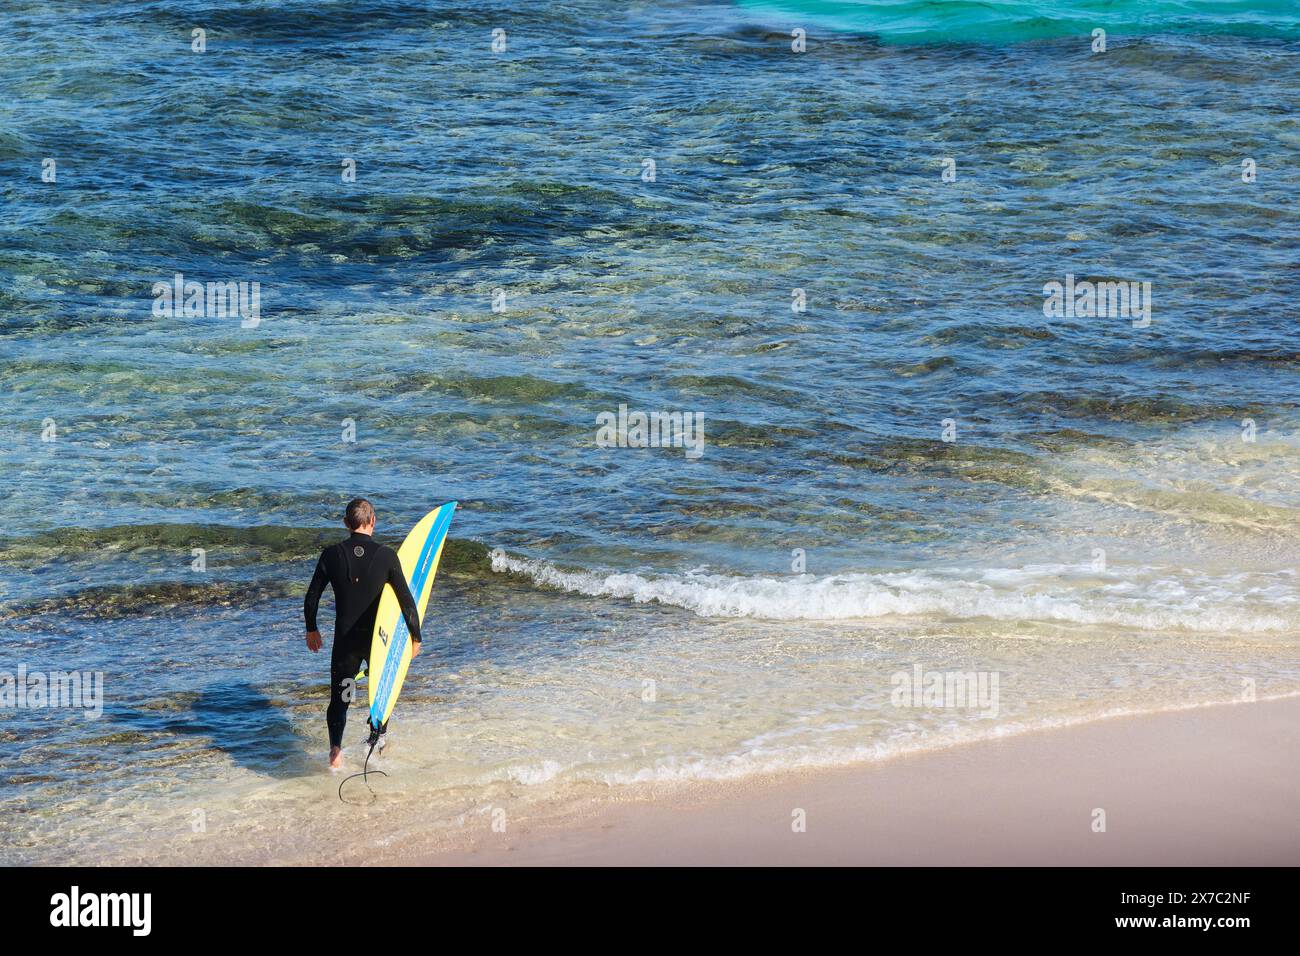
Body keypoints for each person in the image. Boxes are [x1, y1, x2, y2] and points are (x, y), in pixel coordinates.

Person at [304, 498, 421, 769]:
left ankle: (335, 752)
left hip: (346, 642)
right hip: (377, 642)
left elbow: (311, 597)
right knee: (382, 693)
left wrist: (312, 629)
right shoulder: (387, 556)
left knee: (342, 696)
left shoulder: (331, 555)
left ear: (346, 524)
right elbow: (406, 602)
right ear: (373, 522)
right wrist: (416, 637)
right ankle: (375, 743)